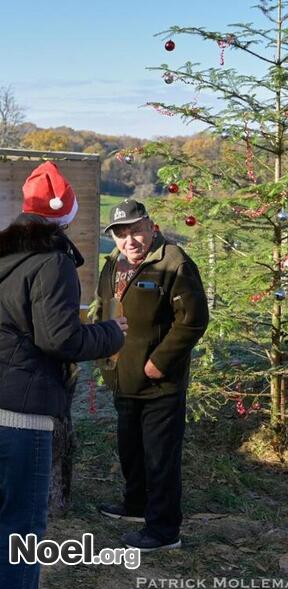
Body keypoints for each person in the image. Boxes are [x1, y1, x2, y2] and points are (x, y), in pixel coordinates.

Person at [0, 161, 127, 589]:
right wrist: (111, 334)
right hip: (21, 411)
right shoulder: (52, 261)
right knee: (23, 533)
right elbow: (58, 338)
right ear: (66, 217)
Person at [96, 199, 208, 552]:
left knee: (160, 456)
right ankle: (136, 505)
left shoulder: (174, 263)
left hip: (160, 382)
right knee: (131, 448)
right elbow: (104, 308)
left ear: (151, 227)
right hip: (122, 373)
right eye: (121, 233)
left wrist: (160, 361)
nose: (130, 240)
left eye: (136, 230)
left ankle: (163, 531)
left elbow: (193, 320)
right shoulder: (113, 262)